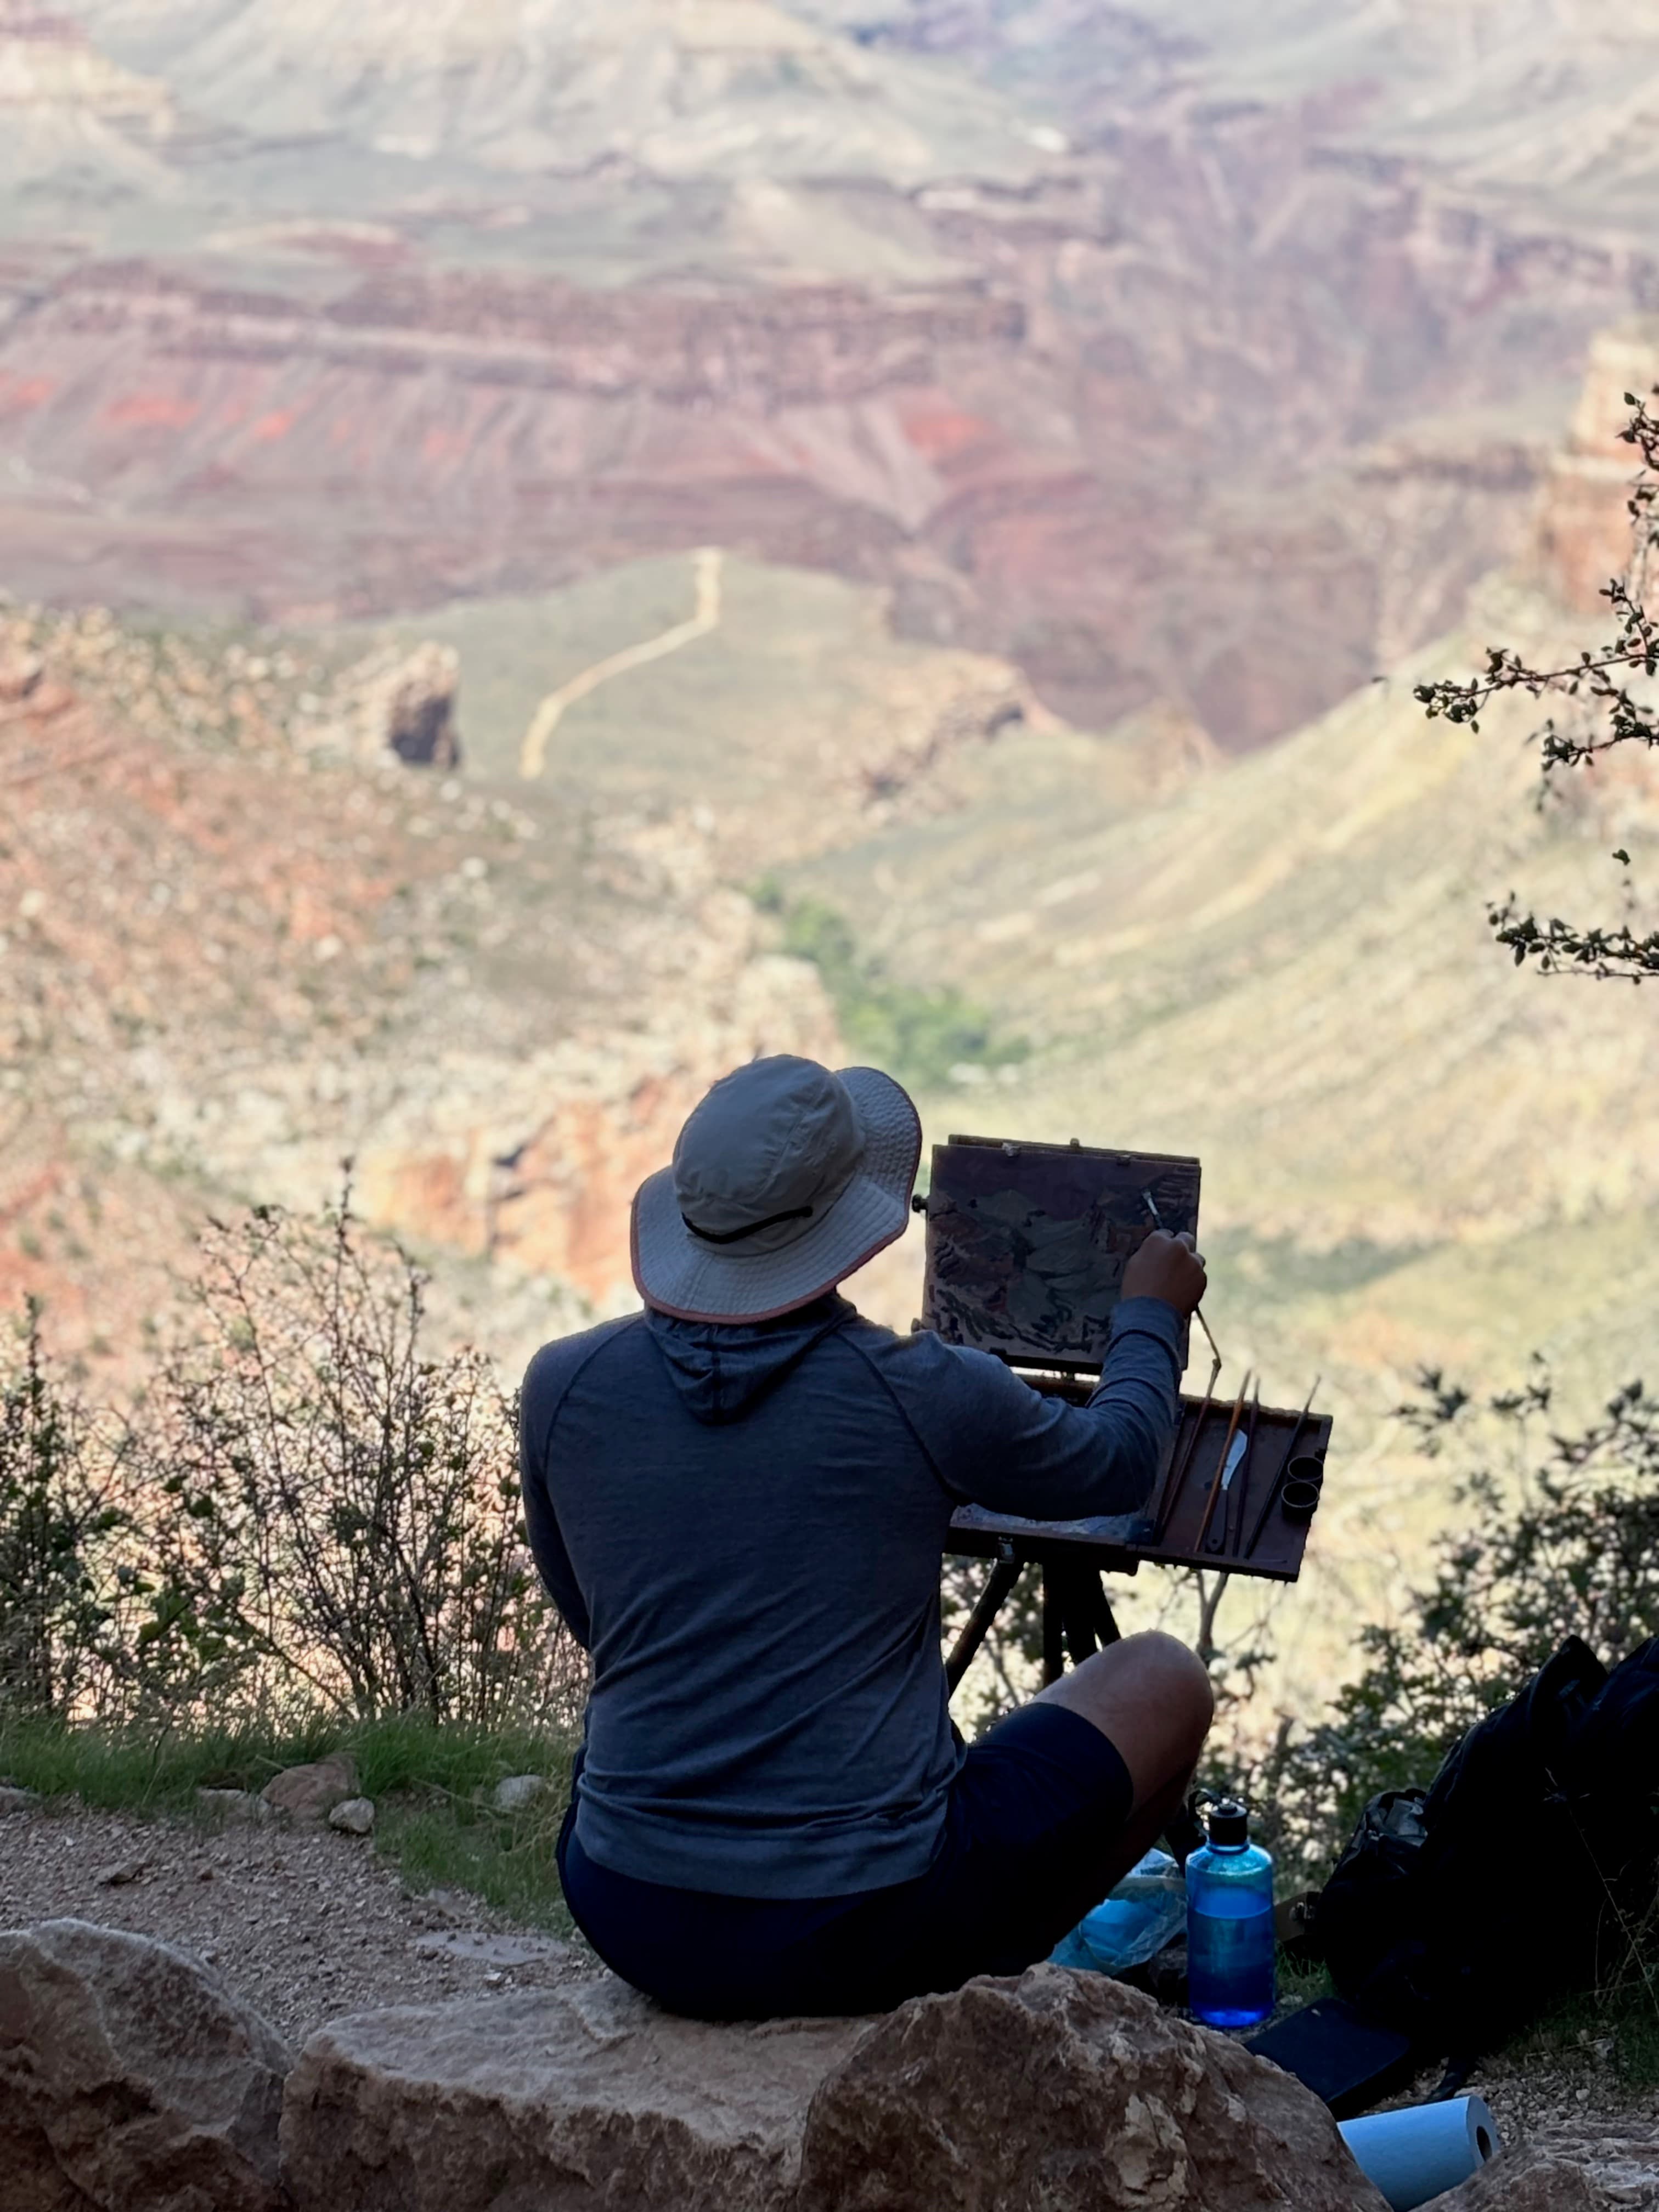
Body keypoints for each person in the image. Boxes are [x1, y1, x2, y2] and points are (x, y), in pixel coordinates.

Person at [520, 1054, 1213, 2018]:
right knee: (1166, 1678)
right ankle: (990, 1971)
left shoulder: (562, 1385)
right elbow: (1118, 1460)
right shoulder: (921, 1391)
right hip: (863, 1923)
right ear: (851, 1221)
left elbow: (597, 1622)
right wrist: (1149, 1315)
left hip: (629, 1906)